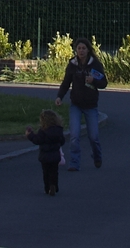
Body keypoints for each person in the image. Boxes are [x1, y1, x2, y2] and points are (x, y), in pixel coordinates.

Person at [55, 38, 106, 170]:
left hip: (91, 105)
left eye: (84, 48)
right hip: (76, 104)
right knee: (74, 135)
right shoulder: (72, 64)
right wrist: (60, 96)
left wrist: (93, 80)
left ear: (88, 50)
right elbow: (66, 83)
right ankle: (74, 162)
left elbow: (104, 83)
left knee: (93, 136)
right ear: (76, 50)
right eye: (79, 48)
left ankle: (97, 156)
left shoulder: (95, 64)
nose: (81, 51)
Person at [25, 106, 65, 196]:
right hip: (55, 155)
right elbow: (62, 141)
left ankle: (47, 188)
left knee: (46, 172)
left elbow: (37, 140)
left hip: (45, 156)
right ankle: (54, 185)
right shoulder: (59, 130)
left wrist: (30, 135)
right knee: (54, 172)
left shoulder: (43, 131)